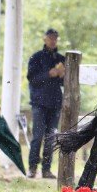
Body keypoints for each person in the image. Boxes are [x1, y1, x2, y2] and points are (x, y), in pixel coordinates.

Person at [26, 28, 65, 179]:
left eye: (55, 38)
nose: (52, 40)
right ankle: (32, 168)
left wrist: (62, 74)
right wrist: (50, 74)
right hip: (39, 103)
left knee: (51, 137)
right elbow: (32, 79)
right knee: (37, 136)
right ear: (44, 39)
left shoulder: (61, 59)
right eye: (50, 38)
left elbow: (64, 83)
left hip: (55, 103)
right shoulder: (36, 57)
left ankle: (46, 170)